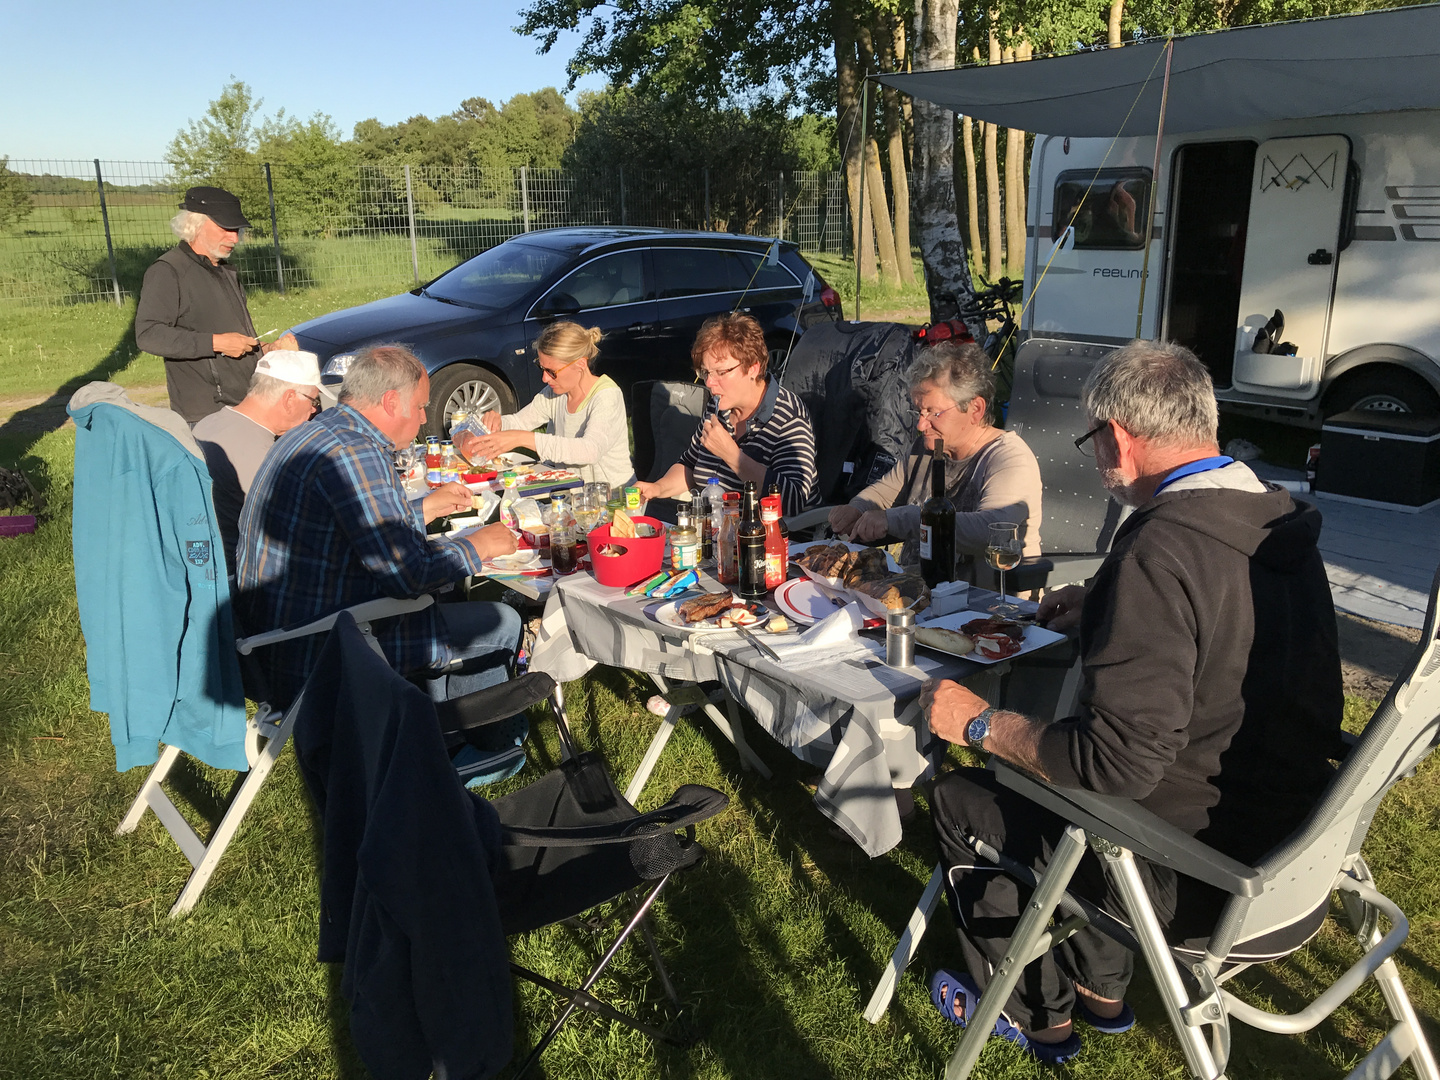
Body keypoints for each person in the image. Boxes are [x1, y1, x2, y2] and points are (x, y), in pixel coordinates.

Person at [919, 340, 1344, 1065]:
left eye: (1091, 441)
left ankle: (1038, 1015)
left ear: (1119, 437)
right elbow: (1226, 635)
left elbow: (1113, 765)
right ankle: (1103, 992)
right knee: (1084, 793)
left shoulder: (1160, 552)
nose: (1092, 457)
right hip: (1293, 847)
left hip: (1203, 877)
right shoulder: (1272, 522)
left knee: (965, 794)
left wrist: (980, 721)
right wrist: (1107, 606)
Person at [235, 344, 520, 711]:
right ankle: (478, 745)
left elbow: (349, 531)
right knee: (500, 621)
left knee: (443, 598)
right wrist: (479, 545)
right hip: (321, 647)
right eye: (419, 406)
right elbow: (408, 575)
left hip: (271, 637)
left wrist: (421, 510)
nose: (422, 418)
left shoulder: (313, 434)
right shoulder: (357, 453)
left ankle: (430, 724)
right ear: (389, 402)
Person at [828, 342, 1042, 582]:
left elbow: (990, 531)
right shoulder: (927, 448)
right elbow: (883, 493)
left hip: (984, 604)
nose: (921, 425)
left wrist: (903, 519)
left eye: (933, 413)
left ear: (975, 409)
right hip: (918, 592)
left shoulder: (1009, 459)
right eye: (918, 412)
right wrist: (857, 509)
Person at [135, 186, 299, 425]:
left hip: (244, 402)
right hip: (206, 413)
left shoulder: (225, 270)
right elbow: (148, 335)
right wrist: (216, 343)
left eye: (237, 230)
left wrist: (263, 348)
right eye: (225, 228)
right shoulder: (168, 271)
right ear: (195, 224)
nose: (234, 238)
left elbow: (232, 334)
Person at [637, 312, 817, 516]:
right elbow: (690, 463)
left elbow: (794, 500)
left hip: (775, 539)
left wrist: (733, 456)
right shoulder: (718, 406)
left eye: (721, 372)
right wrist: (658, 488)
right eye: (705, 372)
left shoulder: (788, 417)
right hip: (717, 530)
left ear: (752, 368)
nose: (710, 383)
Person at [454, 321, 635, 491]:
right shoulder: (555, 392)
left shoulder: (607, 396)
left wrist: (523, 439)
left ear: (580, 364)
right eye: (542, 369)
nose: (545, 379)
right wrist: (498, 424)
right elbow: (521, 421)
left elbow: (590, 451)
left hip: (614, 499)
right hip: (572, 495)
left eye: (552, 372)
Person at [192, 351, 326, 574]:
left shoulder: (210, 422)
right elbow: (288, 528)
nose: (314, 410)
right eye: (314, 401)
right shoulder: (257, 452)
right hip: (238, 571)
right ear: (290, 398)